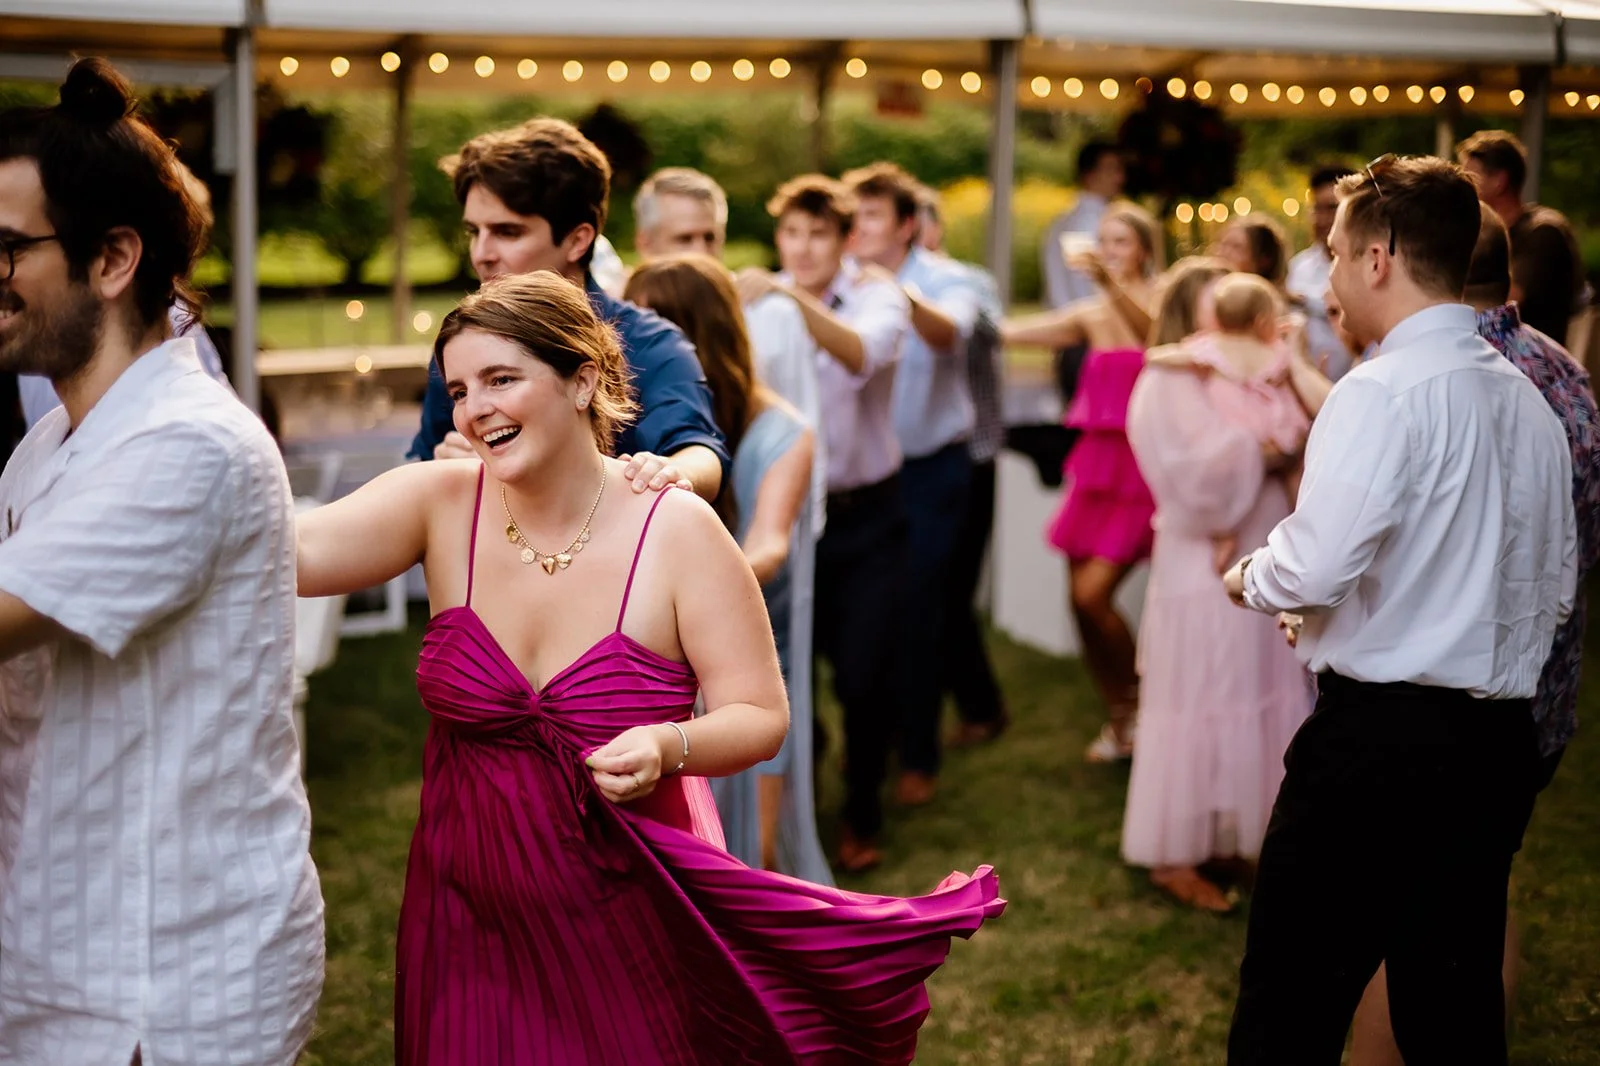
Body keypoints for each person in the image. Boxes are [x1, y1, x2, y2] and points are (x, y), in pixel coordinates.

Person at [296, 271, 1002, 1064]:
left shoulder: (673, 528)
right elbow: (292, 551)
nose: (474, 409)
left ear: (582, 379)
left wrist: (671, 745)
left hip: (626, 908)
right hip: (465, 907)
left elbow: (761, 715)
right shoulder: (439, 500)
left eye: (502, 379)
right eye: (459, 389)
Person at [0, 59, 323, 1064]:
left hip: (163, 981)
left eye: (5, 248)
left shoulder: (188, 445)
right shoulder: (48, 444)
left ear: (112, 259)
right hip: (64, 944)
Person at [1222, 154, 1577, 1064]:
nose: (1332, 274)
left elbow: (1314, 566)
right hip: (1497, 744)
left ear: (1378, 258)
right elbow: (1553, 582)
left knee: (1288, 1006)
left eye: (1338, 254)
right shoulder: (1528, 399)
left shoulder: (1378, 392)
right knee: (1451, 1013)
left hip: (1377, 748)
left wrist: (1251, 578)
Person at [1348, 202, 1600, 1066]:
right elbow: (1580, 544)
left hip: (1432, 695)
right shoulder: (1561, 371)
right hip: (1538, 694)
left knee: (1400, 909)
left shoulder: (1423, 373)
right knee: (1481, 888)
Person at [622, 254, 831, 884]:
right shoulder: (634, 420)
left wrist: (697, 586)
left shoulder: (782, 430)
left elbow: (769, 545)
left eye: (647, 328)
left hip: (755, 653)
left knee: (752, 866)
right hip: (657, 657)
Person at [1122, 257, 1316, 913]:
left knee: (1256, 685)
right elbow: (1187, 471)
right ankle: (1175, 852)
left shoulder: (1257, 365)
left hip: (1263, 541)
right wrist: (1266, 452)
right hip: (1200, 556)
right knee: (1200, 692)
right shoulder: (1168, 377)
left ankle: (1234, 831)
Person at [406, 118, 728, 502]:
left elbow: (698, 452)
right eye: (475, 232)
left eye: (508, 232)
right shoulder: (463, 345)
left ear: (577, 240)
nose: (482, 254)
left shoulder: (649, 344)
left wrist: (670, 472)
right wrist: (440, 467)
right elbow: (419, 464)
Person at [736, 174, 910, 873]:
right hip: (785, 514)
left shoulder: (875, 296)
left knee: (865, 673)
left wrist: (790, 300)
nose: (803, 248)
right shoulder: (759, 300)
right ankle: (793, 805)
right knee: (781, 671)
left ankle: (863, 811)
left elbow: (863, 354)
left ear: (846, 239)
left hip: (866, 514)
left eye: (818, 234)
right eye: (792, 234)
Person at [1002, 203, 1162, 763]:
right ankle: (1120, 716)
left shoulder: (1164, 298)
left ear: (1144, 247)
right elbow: (1011, 332)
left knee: (1093, 594)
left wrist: (1107, 281)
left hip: (1144, 471)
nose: (1109, 250)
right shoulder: (1089, 313)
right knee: (1078, 602)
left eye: (1120, 241)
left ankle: (1146, 704)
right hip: (1095, 470)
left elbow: (1153, 333)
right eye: (1104, 242)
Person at [844, 161, 980, 806]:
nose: (858, 228)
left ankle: (918, 756)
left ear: (906, 225)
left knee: (921, 610)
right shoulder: (836, 284)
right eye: (854, 216)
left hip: (932, 471)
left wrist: (892, 292)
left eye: (871, 216)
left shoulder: (949, 278)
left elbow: (951, 333)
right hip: (866, 481)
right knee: (871, 619)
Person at [634, 166, 827, 536]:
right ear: (646, 243)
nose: (702, 252)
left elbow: (802, 424)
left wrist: (807, 527)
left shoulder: (771, 313)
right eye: (685, 238)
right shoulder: (625, 314)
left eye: (711, 238)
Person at [917, 190, 1011, 749]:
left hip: (969, 457)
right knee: (934, 595)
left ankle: (982, 707)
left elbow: (991, 332)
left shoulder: (965, 281)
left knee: (952, 594)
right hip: (919, 465)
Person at [1171, 273, 1315, 516]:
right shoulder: (1274, 350)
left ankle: (1225, 532)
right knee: (1294, 472)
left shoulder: (1206, 347)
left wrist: (1156, 356)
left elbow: (1173, 356)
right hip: (1273, 428)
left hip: (1233, 425)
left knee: (1222, 483)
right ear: (1261, 321)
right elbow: (1290, 374)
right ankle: (1299, 513)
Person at [1457, 129, 1588, 347]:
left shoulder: (1543, 233)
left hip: (1527, 356)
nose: (1463, 186)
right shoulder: (1487, 232)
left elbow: (1505, 301)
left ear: (1499, 181)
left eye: (1470, 176)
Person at [1041, 141, 1127, 413]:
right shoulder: (1100, 225)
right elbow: (1091, 289)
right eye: (1111, 169)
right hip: (1092, 344)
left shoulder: (1058, 224)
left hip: (1069, 340)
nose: (1119, 177)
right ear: (1089, 175)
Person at [1286, 165, 1359, 380]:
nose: (1323, 218)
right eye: (1317, 209)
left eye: (1332, 208)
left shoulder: (1365, 265)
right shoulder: (1300, 265)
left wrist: (1305, 301)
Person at [1214, 215, 1290, 288]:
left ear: (1264, 260)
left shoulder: (1278, 301)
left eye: (1236, 247)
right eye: (1223, 245)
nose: (1223, 253)